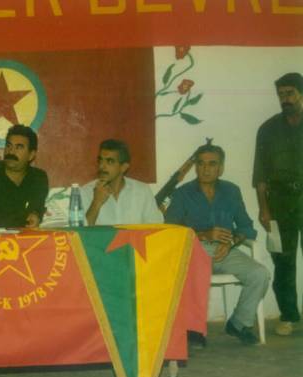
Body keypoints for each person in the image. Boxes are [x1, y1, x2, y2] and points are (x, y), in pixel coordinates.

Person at [166, 144, 270, 345]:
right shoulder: (182, 193)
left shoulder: (231, 191)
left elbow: (246, 227)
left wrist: (231, 241)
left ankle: (239, 323)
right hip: (194, 250)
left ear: (220, 168)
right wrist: (203, 234)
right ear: (196, 167)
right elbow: (170, 230)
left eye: (212, 164)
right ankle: (193, 328)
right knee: (193, 272)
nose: (206, 169)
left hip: (225, 250)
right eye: (201, 164)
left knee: (260, 274)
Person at [253, 72, 303, 337]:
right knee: (282, 262)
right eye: (281, 94)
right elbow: (260, 174)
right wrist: (264, 209)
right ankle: (289, 316)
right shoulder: (268, 129)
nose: (285, 99)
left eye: (290, 93)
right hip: (279, 203)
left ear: (301, 94)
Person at [81, 139, 162, 225]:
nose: (102, 166)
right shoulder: (86, 192)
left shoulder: (142, 191)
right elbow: (80, 231)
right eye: (100, 160)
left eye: (110, 161)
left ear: (124, 167)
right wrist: (96, 203)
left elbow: (156, 227)